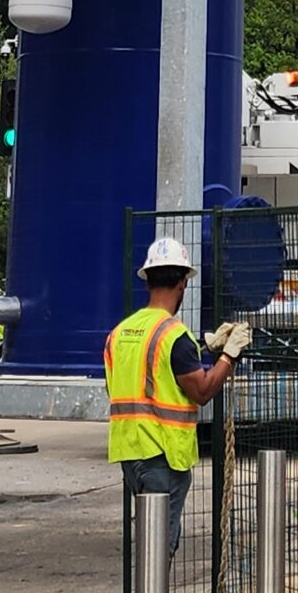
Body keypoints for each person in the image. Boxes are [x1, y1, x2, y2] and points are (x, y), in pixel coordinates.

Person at [105, 236, 251, 560]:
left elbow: (136, 379)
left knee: (152, 543)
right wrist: (229, 356)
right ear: (183, 282)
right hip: (164, 456)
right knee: (158, 550)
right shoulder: (174, 335)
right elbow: (202, 391)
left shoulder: (121, 332)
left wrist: (204, 349)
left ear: (148, 280)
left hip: (130, 454)